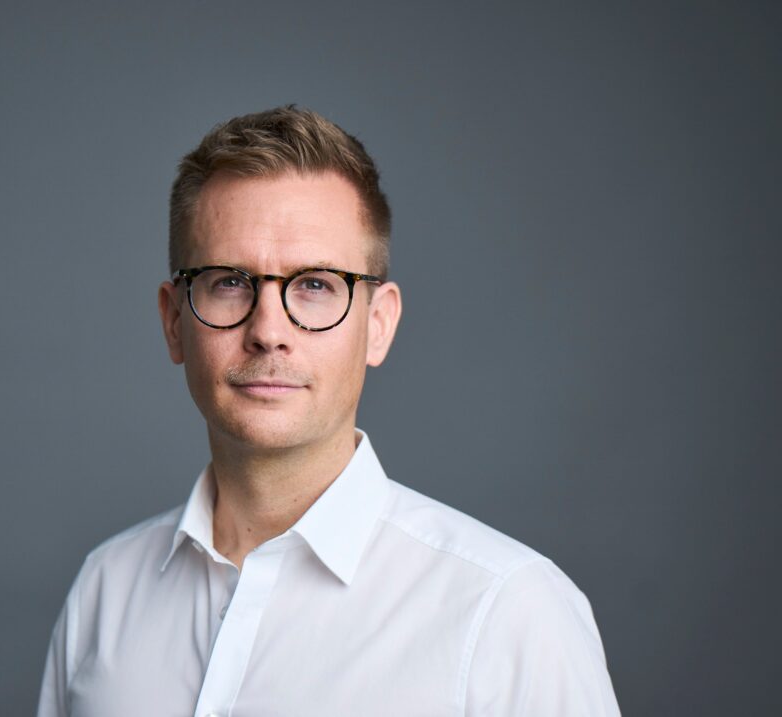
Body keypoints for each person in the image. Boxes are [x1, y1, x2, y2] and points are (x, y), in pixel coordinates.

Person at [36, 105, 620, 716]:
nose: (268, 331)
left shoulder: (507, 613)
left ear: (378, 324)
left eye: (315, 284)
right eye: (229, 281)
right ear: (173, 321)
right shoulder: (103, 593)